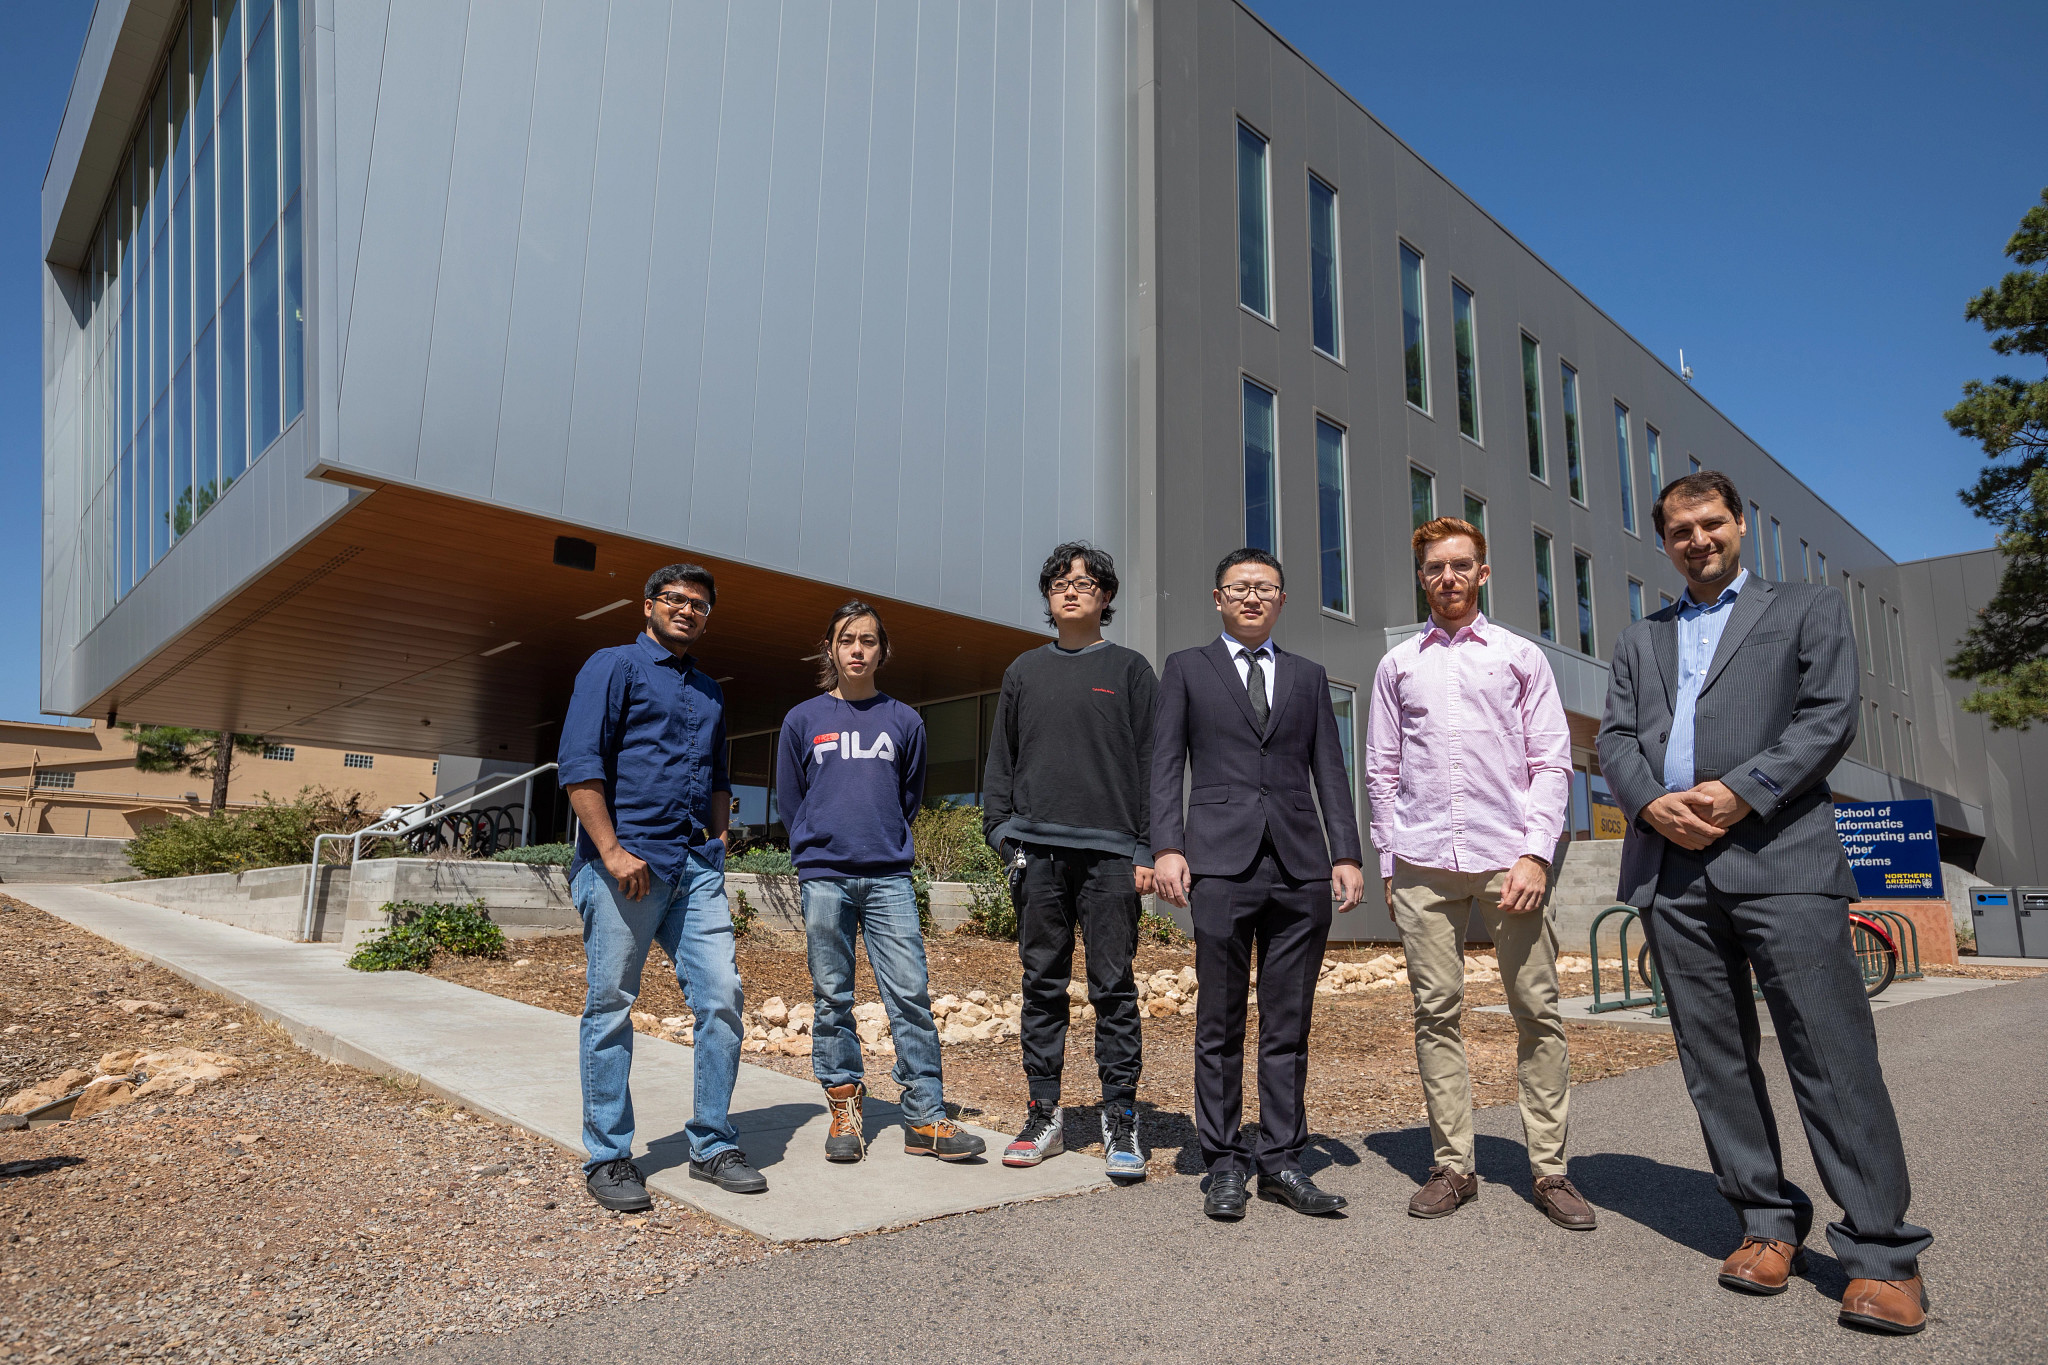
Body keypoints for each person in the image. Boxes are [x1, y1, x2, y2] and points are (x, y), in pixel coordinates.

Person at [1597, 471, 1932, 1334]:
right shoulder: (1641, 637)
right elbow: (1618, 738)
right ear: (1664, 541)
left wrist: (1743, 791)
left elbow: (1826, 718)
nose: (1697, 539)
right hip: (1674, 871)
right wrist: (1648, 801)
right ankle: (1765, 1220)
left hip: (1781, 857)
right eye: (1680, 530)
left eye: (1711, 523)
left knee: (1831, 1053)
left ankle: (1882, 1253)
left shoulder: (1806, 610)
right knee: (1715, 1060)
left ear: (1739, 525)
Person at [1367, 518, 1593, 1230]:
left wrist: (1535, 853)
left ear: (1483, 573)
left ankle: (1551, 1170)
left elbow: (1552, 760)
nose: (1448, 578)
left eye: (1461, 565)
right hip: (1423, 864)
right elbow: (1381, 767)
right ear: (1421, 576)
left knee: (1538, 1011)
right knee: (1436, 1014)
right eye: (1435, 567)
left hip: (1508, 861)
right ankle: (1453, 1165)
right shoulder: (1398, 664)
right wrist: (1388, 859)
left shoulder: (1520, 656)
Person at [1152, 548, 1365, 1220]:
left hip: (1300, 868)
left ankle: (1280, 1157)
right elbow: (1163, 766)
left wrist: (1347, 853)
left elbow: (1330, 770)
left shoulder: (1307, 676)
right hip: (1217, 863)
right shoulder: (1186, 669)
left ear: (1281, 599)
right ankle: (1222, 1159)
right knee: (1218, 1021)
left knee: (1288, 1023)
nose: (1252, 597)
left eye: (1264, 587)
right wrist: (1166, 846)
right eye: (1240, 587)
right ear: (1218, 597)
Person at [557, 564, 765, 1211]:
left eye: (700, 604)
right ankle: (609, 1155)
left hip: (693, 867)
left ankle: (711, 1141)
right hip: (626, 867)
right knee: (611, 1003)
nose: (688, 610)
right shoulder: (612, 666)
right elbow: (579, 763)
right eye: (676, 599)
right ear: (648, 605)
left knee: (723, 994)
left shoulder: (707, 689)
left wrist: (720, 838)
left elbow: (720, 774)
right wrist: (612, 851)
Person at [775, 601, 987, 1164]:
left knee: (911, 996)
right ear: (830, 649)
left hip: (889, 878)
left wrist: (883, 839)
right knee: (831, 999)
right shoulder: (802, 720)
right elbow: (791, 799)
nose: (858, 650)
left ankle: (925, 1116)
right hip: (824, 878)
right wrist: (813, 846)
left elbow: (909, 796)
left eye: (868, 641)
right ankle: (844, 1110)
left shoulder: (904, 721)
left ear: (881, 651)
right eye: (847, 640)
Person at [982, 542, 1157, 1180]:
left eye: (1086, 582)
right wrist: (1001, 831)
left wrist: (1147, 846)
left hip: (1112, 857)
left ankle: (1119, 1118)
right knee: (1042, 986)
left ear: (1106, 597)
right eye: (1061, 581)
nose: (1073, 589)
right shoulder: (1024, 670)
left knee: (1113, 989)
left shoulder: (1132, 670)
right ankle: (1043, 1112)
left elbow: (1154, 766)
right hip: (1038, 853)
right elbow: (1001, 757)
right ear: (1049, 597)